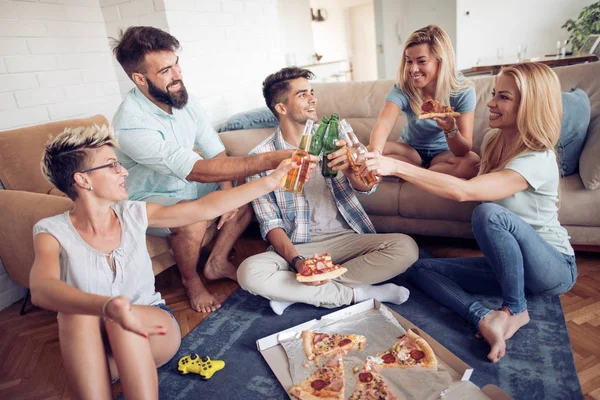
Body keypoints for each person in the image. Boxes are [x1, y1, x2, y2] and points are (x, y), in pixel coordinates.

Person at [29, 125, 297, 398]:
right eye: (112, 166)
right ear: (83, 180)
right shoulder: (51, 231)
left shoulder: (133, 213)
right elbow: (42, 289)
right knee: (75, 317)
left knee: (121, 320)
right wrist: (108, 306)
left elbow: (203, 208)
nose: (124, 171)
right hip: (93, 338)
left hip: (151, 328)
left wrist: (271, 182)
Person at [362, 62, 577, 363]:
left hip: (552, 268)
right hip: (508, 266)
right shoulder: (494, 141)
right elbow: (465, 176)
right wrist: (448, 133)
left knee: (488, 214)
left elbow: (467, 193)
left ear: (530, 105)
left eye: (503, 97)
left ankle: (515, 310)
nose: (490, 102)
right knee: (421, 269)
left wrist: (396, 166)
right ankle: (483, 318)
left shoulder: (537, 158)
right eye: (494, 94)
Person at [111, 26, 293, 313]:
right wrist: (270, 160)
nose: (178, 74)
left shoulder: (182, 97)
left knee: (244, 188)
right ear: (139, 78)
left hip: (189, 186)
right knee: (193, 218)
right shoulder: (131, 123)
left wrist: (228, 192)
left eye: (177, 64)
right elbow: (196, 170)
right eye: (166, 70)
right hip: (151, 196)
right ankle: (191, 280)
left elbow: (213, 148)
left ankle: (216, 262)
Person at [237, 67, 419, 315]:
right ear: (281, 107)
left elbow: (369, 186)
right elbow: (270, 223)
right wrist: (297, 262)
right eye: (302, 95)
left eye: (312, 92)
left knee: (406, 248)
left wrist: (350, 168)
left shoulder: (338, 133)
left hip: (346, 239)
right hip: (299, 245)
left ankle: (298, 294)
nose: (313, 99)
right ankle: (359, 293)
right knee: (248, 272)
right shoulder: (260, 158)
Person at [369, 25, 479, 179]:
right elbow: (384, 124)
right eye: (409, 61)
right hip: (409, 151)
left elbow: (463, 150)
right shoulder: (404, 87)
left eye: (421, 61)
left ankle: (410, 173)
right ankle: (421, 173)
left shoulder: (463, 90)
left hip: (444, 153)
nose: (413, 69)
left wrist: (451, 130)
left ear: (441, 62)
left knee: (472, 162)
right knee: (370, 151)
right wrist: (375, 153)